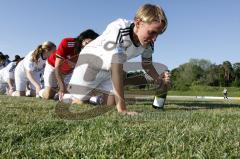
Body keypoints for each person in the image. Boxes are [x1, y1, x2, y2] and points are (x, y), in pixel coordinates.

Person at [63, 4, 171, 115]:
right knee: (80, 101)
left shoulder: (149, 43)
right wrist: (123, 110)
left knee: (109, 105)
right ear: (138, 23)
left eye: (158, 34)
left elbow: (147, 65)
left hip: (109, 70)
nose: (155, 39)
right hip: (89, 64)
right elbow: (116, 70)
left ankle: (94, 96)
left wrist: (159, 80)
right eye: (152, 32)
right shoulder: (119, 30)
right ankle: (67, 95)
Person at [39, 29, 99, 100]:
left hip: (68, 71)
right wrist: (62, 87)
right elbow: (57, 67)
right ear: (83, 39)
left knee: (71, 92)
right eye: (87, 43)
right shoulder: (67, 43)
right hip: (53, 66)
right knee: (48, 95)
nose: (87, 47)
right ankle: (40, 92)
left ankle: (58, 95)